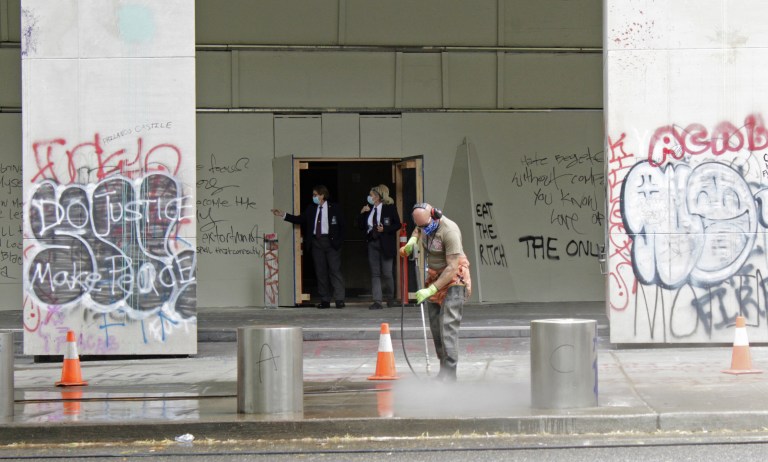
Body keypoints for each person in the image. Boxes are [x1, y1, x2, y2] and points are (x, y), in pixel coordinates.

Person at [399, 203, 471, 381]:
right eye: (420, 226)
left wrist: (432, 289)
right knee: (436, 327)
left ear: (434, 215)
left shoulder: (449, 231)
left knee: (448, 326)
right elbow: (418, 229)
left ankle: (450, 374)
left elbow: (453, 267)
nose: (423, 229)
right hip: (434, 275)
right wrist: (412, 241)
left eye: (425, 225)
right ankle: (443, 370)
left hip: (454, 278)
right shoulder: (423, 224)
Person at [271, 185, 346, 309]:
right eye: (313, 195)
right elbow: (300, 219)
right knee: (320, 272)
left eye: (315, 195)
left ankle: (339, 299)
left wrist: (339, 242)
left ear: (322, 195)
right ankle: (325, 299)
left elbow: (343, 226)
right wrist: (283, 215)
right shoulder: (311, 208)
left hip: (331, 243)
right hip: (316, 243)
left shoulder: (335, 208)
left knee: (335, 271)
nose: (314, 197)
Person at [357, 185, 401, 310]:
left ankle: (390, 298)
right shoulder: (369, 209)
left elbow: (397, 224)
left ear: (378, 196)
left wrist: (385, 229)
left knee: (387, 272)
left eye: (371, 195)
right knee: (375, 273)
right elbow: (360, 226)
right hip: (372, 242)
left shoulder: (389, 208)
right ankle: (377, 301)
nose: (370, 197)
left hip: (385, 243)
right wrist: (361, 213)